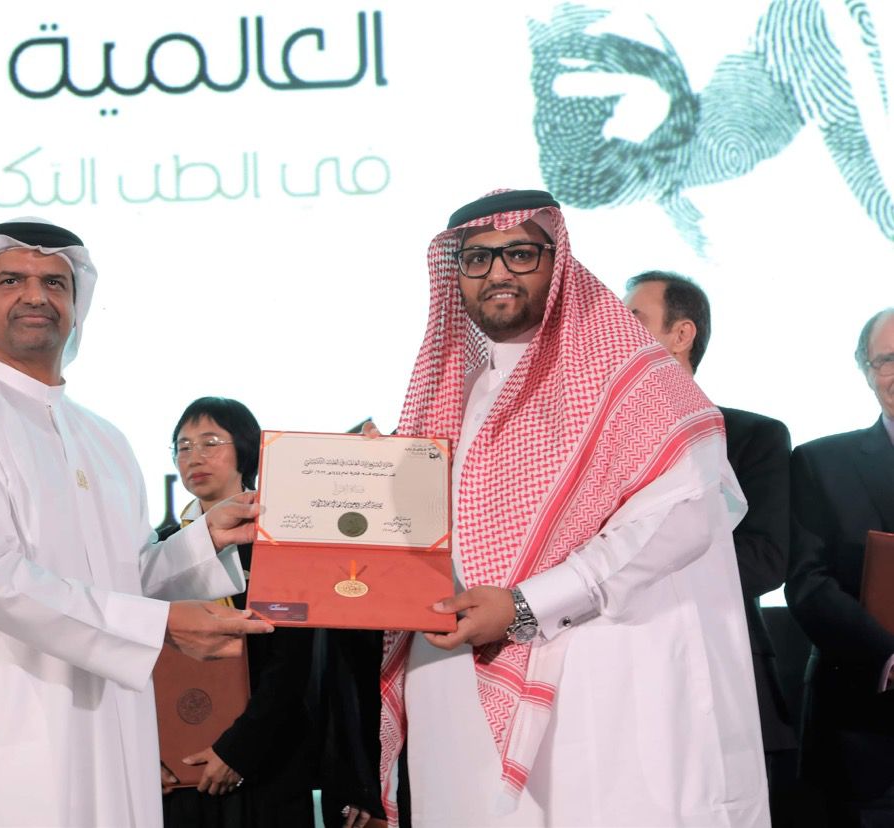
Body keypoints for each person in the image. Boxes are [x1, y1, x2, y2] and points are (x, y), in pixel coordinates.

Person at [374, 190, 767, 826]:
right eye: (476, 258)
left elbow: (680, 518)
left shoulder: (633, 378)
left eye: (519, 253)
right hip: (454, 679)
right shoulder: (452, 392)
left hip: (596, 682)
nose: (497, 272)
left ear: (557, 262)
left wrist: (524, 605)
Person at [0, 218, 272, 827]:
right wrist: (161, 626)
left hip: (110, 731)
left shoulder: (102, 438)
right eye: (12, 280)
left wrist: (202, 542)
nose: (36, 295)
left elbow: (124, 577)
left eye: (55, 283)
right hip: (1, 733)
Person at [624, 271, 797, 821]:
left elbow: (767, 559)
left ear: (682, 335)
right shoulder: (597, 446)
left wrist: (625, 575)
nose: (615, 333)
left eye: (633, 319)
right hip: (621, 678)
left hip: (726, 671)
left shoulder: (752, 437)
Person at [159, 396, 317, 827]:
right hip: (179, 765)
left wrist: (238, 751)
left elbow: (291, 662)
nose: (194, 457)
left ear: (246, 450)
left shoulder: (277, 540)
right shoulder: (160, 547)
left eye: (210, 442)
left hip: (265, 762)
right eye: (183, 446)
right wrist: (152, 751)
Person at [787, 308, 894, 826]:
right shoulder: (821, 463)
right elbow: (807, 583)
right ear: (865, 370)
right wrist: (888, 654)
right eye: (887, 359)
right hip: (862, 732)